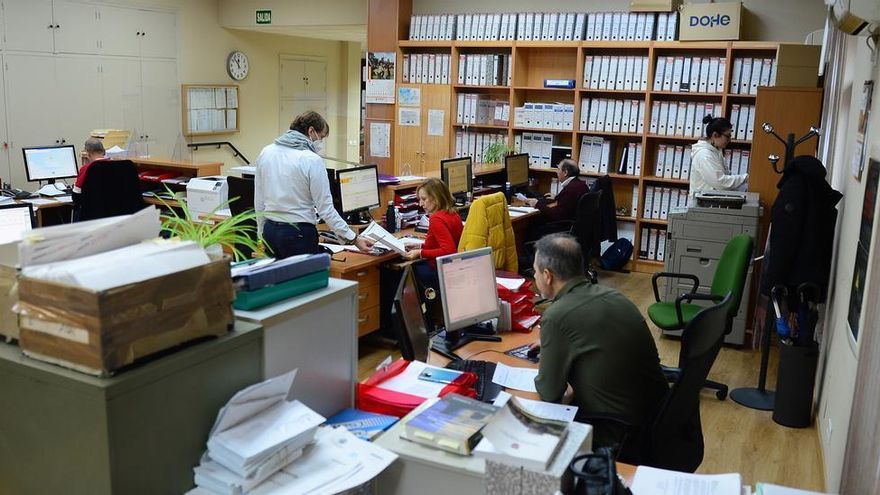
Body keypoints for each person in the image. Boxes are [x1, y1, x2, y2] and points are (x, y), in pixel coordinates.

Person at [531, 233, 668, 454]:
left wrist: (553, 350)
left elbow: (549, 393)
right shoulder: (615, 296)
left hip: (617, 433)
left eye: (535, 271)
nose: (534, 276)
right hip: (657, 419)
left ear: (547, 276)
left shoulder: (556, 316)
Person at [254, 111, 373, 259]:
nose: (320, 142)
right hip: (298, 234)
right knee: (304, 282)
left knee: (278, 281)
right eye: (321, 137)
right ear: (311, 131)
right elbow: (325, 210)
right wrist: (354, 238)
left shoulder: (266, 152)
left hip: (270, 231)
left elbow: (259, 201)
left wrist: (261, 233)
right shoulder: (311, 160)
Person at [403, 178, 463, 319]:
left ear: (435, 199)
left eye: (424, 199)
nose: (420, 204)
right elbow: (443, 243)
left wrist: (420, 253)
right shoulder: (452, 213)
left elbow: (449, 250)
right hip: (454, 269)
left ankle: (420, 320)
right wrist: (420, 246)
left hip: (438, 271)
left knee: (400, 275)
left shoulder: (436, 219)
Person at [689, 115, 748, 197]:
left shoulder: (716, 151)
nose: (729, 140)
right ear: (715, 135)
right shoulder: (704, 155)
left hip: (712, 201)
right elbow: (720, 182)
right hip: (703, 205)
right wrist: (745, 178)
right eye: (727, 136)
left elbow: (726, 176)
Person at [524, 159, 589, 223]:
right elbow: (567, 204)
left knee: (532, 223)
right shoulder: (581, 185)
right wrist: (557, 198)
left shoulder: (570, 189)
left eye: (558, 169)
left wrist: (537, 204)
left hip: (564, 226)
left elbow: (556, 215)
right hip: (574, 224)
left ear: (565, 173)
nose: (556, 172)